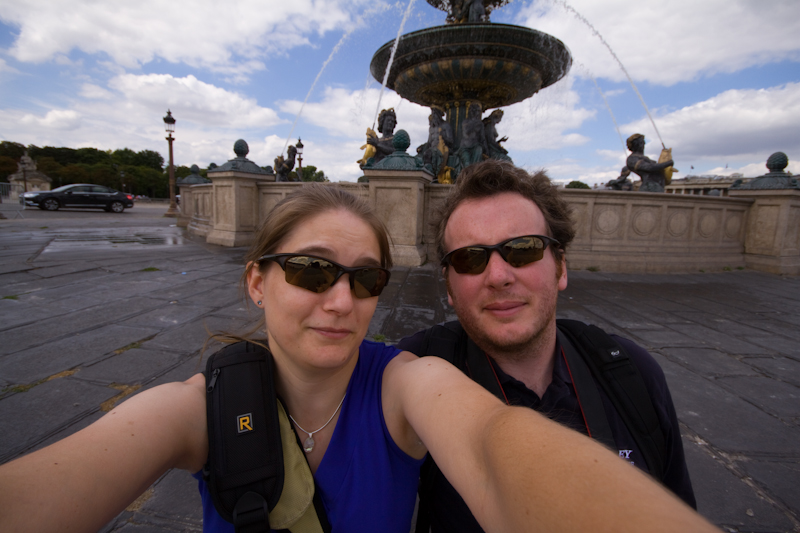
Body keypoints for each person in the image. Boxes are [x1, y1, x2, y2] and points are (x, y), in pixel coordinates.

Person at [0, 185, 714, 533]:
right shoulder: (197, 409)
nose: (340, 300)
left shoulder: (408, 382)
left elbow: (494, 446)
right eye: (312, 270)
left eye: (366, 278)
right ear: (257, 281)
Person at [397, 159, 697, 533]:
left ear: (561, 268)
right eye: (469, 258)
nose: (498, 277)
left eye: (523, 249)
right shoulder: (415, 362)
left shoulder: (632, 373)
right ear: (449, 287)